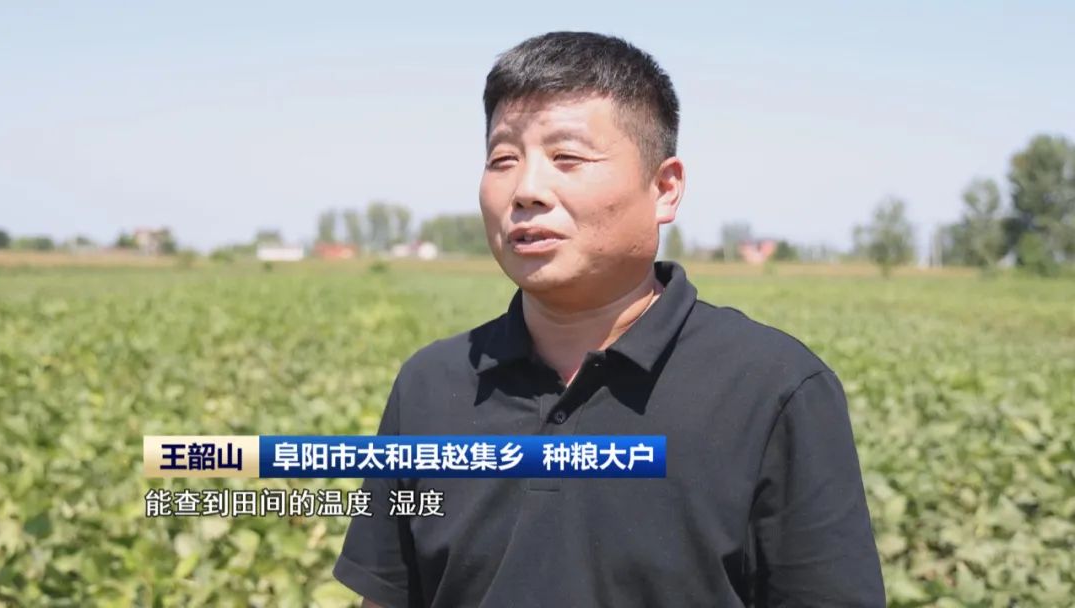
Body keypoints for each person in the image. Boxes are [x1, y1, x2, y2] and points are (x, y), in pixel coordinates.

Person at [334, 31, 885, 607]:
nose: (526, 190)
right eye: (503, 159)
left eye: (567, 158)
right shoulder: (430, 385)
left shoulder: (773, 388)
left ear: (665, 188)